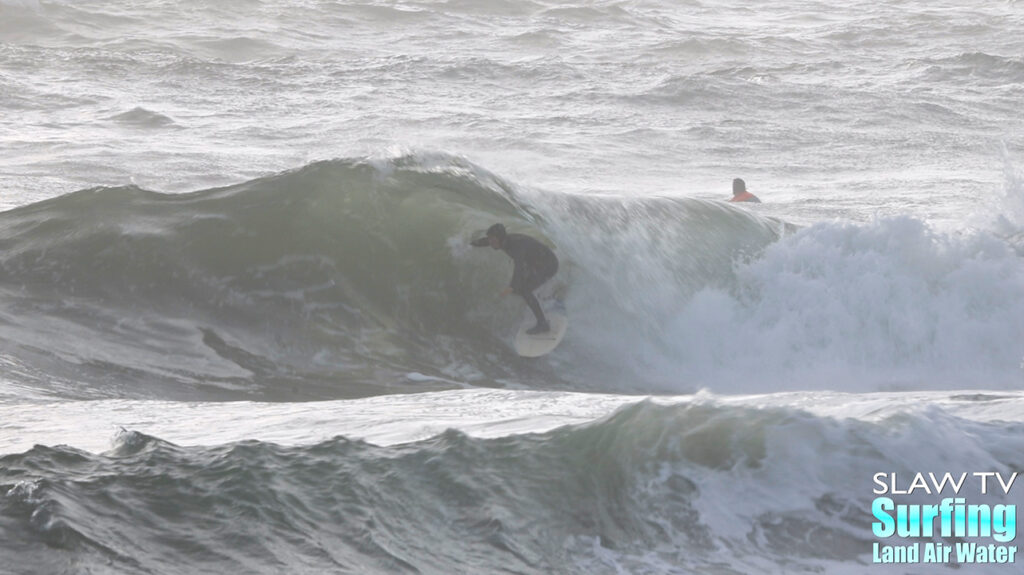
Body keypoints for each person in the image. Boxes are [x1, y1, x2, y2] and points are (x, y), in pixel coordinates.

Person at [471, 223, 559, 334]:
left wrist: (511, 286)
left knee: (524, 290)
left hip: (548, 264)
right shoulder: (502, 241)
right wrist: (471, 244)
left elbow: (519, 268)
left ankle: (543, 324)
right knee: (520, 289)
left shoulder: (516, 245)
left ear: (500, 238)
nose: (490, 242)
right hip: (535, 263)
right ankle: (545, 301)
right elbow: (485, 242)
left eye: (492, 239)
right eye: (490, 239)